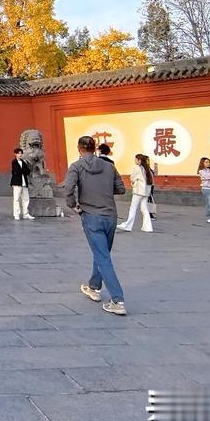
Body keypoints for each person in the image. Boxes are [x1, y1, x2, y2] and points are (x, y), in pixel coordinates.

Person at [62, 135, 128, 316]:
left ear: (79, 148)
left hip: (91, 215)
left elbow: (68, 189)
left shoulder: (76, 167)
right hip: (110, 216)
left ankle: (118, 299)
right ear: (95, 147)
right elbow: (121, 188)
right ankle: (94, 287)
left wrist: (73, 205)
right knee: (102, 253)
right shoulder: (109, 166)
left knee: (103, 257)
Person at [118, 153, 154, 233]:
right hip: (146, 192)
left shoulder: (137, 168)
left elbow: (132, 178)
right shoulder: (147, 169)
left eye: (136, 159)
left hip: (138, 191)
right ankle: (148, 227)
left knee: (133, 208)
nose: (135, 161)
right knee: (144, 208)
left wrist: (133, 182)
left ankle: (128, 226)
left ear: (139, 160)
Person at [9, 147, 35, 220]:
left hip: (24, 183)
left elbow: (28, 171)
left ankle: (25, 214)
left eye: (21, 153)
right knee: (16, 199)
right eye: (18, 153)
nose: (20, 155)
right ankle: (16, 214)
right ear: (15, 154)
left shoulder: (23, 162)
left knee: (26, 199)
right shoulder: (14, 162)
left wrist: (23, 170)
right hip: (17, 183)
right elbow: (16, 171)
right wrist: (23, 170)